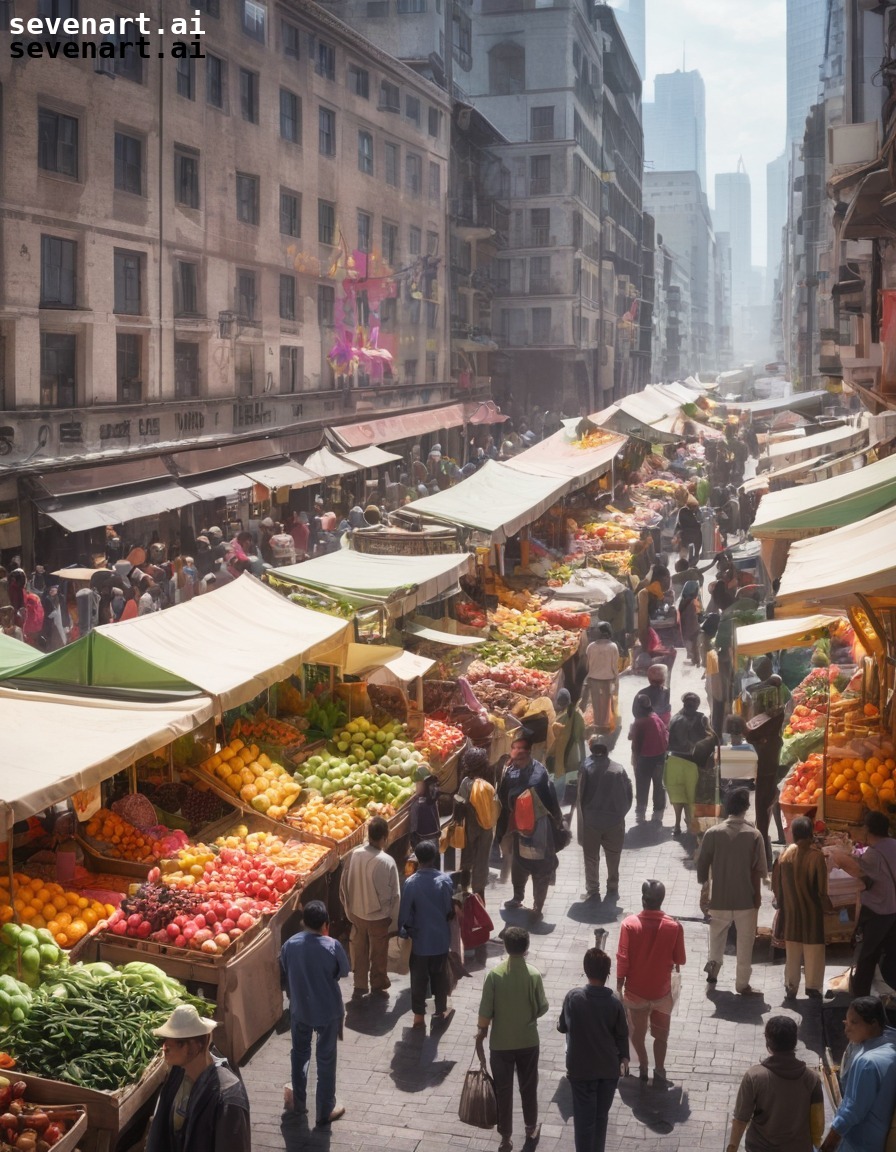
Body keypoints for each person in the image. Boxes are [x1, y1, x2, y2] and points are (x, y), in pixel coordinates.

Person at [477, 926, 548, 1152]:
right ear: (526, 947)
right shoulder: (534, 975)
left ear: (506, 947)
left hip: (501, 1043)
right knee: (528, 1086)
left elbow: (485, 1010)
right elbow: (542, 1007)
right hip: (528, 1040)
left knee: (503, 1090)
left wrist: (482, 1031)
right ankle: (530, 1128)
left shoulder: (494, 975)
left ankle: (505, 1138)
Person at [279, 899, 349, 1126]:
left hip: (300, 1009)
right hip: (328, 1011)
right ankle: (325, 1110)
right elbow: (343, 971)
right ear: (326, 924)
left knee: (299, 1055)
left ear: (303, 922)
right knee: (326, 1059)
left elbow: (284, 970)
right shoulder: (332, 945)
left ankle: (298, 1104)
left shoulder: (290, 944)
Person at [146, 1004, 250, 1152]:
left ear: (194, 1046)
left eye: (174, 1041)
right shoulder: (177, 1073)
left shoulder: (228, 1097)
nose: (165, 1047)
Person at [696, 787, 767, 995]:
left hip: (719, 899)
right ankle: (742, 984)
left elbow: (702, 867)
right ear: (746, 808)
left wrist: (705, 887)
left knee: (716, 938)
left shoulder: (712, 833)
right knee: (745, 945)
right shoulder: (754, 835)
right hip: (746, 900)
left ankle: (713, 972)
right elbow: (761, 870)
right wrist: (758, 899)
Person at [558, 948, 629, 1152]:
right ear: (607, 973)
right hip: (608, 1070)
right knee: (600, 1118)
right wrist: (624, 1057)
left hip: (581, 1071)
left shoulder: (573, 997)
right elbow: (622, 1034)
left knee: (583, 1121)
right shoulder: (615, 1002)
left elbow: (563, 1025)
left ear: (586, 970)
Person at [616, 880, 685, 1085]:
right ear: (662, 900)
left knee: (637, 1033)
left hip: (635, 993)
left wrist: (619, 984)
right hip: (662, 993)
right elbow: (680, 959)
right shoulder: (674, 926)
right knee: (661, 1035)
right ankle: (660, 1070)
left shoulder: (629, 924)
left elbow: (622, 958)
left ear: (643, 899)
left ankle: (644, 1066)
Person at [728, 1015, 824, 1152]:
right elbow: (818, 1125)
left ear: (768, 1042)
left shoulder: (754, 1077)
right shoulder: (812, 1079)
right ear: (795, 1042)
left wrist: (732, 1148)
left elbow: (740, 1119)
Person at [497, 735, 563, 923]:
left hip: (540, 828)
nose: (516, 759)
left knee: (540, 869)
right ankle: (518, 897)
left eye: (521, 755)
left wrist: (512, 793)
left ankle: (537, 906)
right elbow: (503, 791)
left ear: (528, 754)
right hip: (519, 829)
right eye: (514, 752)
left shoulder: (538, 772)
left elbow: (535, 788)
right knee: (519, 865)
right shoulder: (511, 770)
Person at [830, 810, 896, 997]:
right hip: (893, 910)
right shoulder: (893, 845)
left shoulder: (874, 854)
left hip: (879, 913)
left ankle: (860, 1002)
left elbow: (859, 872)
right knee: (891, 956)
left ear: (868, 830)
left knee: (868, 957)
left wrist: (840, 857)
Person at [820, 996, 896, 1152]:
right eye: (846, 1021)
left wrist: (829, 1142)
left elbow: (853, 1111)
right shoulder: (890, 1043)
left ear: (874, 1023)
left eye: (854, 1023)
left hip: (858, 1141)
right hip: (877, 1138)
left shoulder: (868, 1062)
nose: (846, 1029)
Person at [339, 816, 400, 999]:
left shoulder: (354, 854)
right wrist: (392, 917)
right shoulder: (386, 861)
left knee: (359, 948)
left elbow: (344, 884)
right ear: (384, 836)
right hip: (378, 917)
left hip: (357, 913)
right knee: (379, 951)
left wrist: (348, 908)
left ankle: (359, 983)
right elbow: (393, 894)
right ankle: (378, 982)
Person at [398, 839, 455, 1028]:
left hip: (420, 942)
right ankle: (440, 1011)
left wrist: (404, 932)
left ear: (417, 859)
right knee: (439, 978)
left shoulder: (411, 883)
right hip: (440, 941)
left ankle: (419, 1017)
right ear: (434, 857)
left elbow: (404, 914)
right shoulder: (445, 881)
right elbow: (449, 909)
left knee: (418, 980)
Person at [771, 816, 827, 1000]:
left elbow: (776, 886)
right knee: (814, 951)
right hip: (812, 914)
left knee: (792, 952)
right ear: (810, 833)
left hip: (791, 913)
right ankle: (812, 986)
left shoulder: (784, 855)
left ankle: (791, 985)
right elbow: (821, 890)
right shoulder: (816, 856)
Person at [577, 738, 633, 902]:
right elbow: (628, 795)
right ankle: (613, 886)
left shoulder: (585, 767)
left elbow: (580, 794)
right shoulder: (618, 769)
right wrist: (620, 814)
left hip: (591, 822)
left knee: (591, 857)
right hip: (614, 821)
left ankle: (593, 889)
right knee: (614, 856)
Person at [665, 693, 713, 839]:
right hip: (691, 763)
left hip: (673, 761)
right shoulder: (702, 719)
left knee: (677, 795)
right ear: (697, 705)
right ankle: (692, 825)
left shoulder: (674, 719)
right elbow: (711, 736)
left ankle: (678, 824)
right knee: (692, 796)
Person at [455, 746, 500, 902]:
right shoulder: (489, 782)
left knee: (467, 861)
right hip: (486, 830)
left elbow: (459, 806)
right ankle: (480, 900)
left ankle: (465, 893)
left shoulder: (466, 783)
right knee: (482, 862)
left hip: (470, 828)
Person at [628, 694, 669, 821]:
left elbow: (635, 743)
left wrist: (636, 760)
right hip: (660, 758)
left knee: (642, 787)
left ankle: (641, 811)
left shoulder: (639, 722)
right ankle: (659, 810)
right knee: (659, 786)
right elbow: (666, 736)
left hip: (645, 759)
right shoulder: (656, 718)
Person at [548, 688, 586, 800]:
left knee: (561, 776)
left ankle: (560, 801)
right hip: (572, 751)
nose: (559, 703)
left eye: (561, 701)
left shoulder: (566, 716)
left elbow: (580, 737)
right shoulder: (576, 713)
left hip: (565, 751)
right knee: (568, 776)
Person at [584, 623, 619, 733]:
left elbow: (587, 664)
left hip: (593, 678)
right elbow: (614, 665)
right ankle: (605, 725)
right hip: (607, 679)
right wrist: (616, 679)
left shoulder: (590, 647)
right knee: (606, 702)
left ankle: (597, 725)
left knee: (596, 702)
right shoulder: (613, 646)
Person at [409, 772, 440, 848]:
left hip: (422, 839)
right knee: (434, 857)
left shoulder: (416, 805)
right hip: (434, 836)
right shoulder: (433, 801)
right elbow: (437, 817)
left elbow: (413, 827)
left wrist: (412, 842)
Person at [677, 580, 701, 666]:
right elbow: (699, 614)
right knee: (696, 645)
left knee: (691, 646)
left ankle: (693, 659)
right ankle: (696, 661)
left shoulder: (682, 602)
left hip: (685, 629)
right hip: (694, 629)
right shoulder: (694, 602)